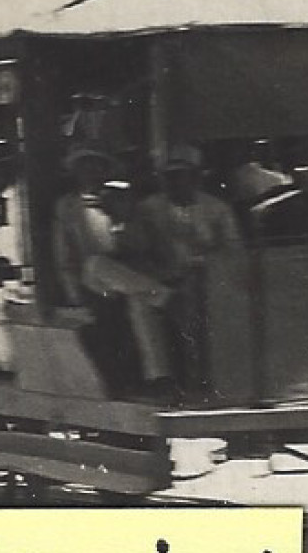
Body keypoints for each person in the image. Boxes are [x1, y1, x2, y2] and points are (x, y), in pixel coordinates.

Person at [48, 147, 173, 389]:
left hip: (129, 277)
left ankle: (158, 377)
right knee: (97, 264)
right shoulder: (68, 207)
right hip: (93, 282)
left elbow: (143, 244)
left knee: (139, 302)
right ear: (75, 172)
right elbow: (64, 256)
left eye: (97, 167)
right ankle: (166, 297)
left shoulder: (124, 200)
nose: (91, 173)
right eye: (85, 167)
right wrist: (75, 296)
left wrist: (119, 219)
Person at [125, 143, 242, 397]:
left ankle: (213, 379)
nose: (175, 182)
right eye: (170, 176)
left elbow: (233, 252)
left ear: (196, 177)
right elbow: (138, 250)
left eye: (182, 175)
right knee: (140, 304)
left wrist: (205, 265)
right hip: (165, 282)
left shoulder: (217, 209)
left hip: (212, 282)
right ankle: (161, 377)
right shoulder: (148, 209)